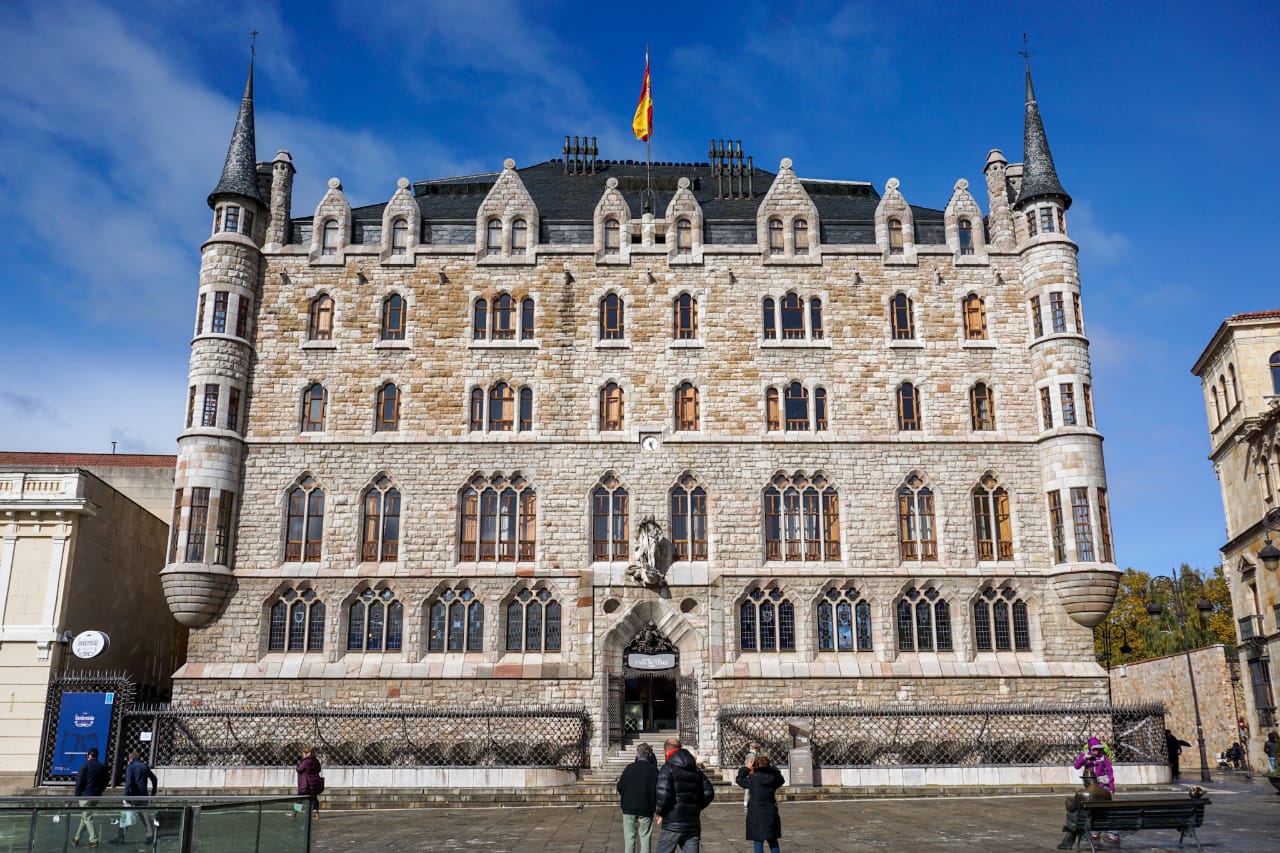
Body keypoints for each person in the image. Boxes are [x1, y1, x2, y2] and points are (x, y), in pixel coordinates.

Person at [654, 737, 715, 853]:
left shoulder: (667, 768)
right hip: (692, 823)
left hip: (672, 822)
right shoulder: (695, 770)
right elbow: (709, 792)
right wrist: (695, 806)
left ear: (666, 751)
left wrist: (660, 812)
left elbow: (663, 794)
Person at [736, 753, 785, 853]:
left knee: (758, 840)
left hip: (756, 812)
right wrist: (771, 768)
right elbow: (781, 779)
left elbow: (739, 779)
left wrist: (746, 768)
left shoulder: (753, 779)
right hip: (770, 811)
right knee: (772, 840)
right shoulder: (773, 778)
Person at [617, 742, 658, 853]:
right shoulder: (653, 770)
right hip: (646, 808)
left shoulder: (629, 768)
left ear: (637, 754)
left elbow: (620, 787)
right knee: (645, 837)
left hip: (629, 807)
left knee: (629, 839)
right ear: (649, 755)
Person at [1056, 776, 1112, 849]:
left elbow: (1071, 808)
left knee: (1073, 816)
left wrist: (1068, 802)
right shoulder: (1107, 793)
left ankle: (1066, 844)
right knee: (1077, 818)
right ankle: (1066, 843)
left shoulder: (1081, 793)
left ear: (1086, 781)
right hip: (1104, 823)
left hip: (1085, 823)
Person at [115, 749, 158, 846]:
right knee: (145, 815)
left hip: (132, 796)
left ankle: (121, 837)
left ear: (131, 758)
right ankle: (150, 835)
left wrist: (125, 797)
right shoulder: (144, 766)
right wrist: (153, 790)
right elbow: (154, 778)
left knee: (125, 816)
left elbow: (128, 783)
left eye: (128, 759)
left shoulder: (131, 767)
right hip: (143, 795)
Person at [70, 746, 109, 848]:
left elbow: (79, 782)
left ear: (89, 756)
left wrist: (76, 795)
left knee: (87, 817)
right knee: (84, 817)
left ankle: (93, 840)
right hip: (96, 796)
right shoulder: (102, 767)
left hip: (85, 795)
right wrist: (100, 791)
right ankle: (76, 838)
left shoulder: (85, 766)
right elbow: (106, 781)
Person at [295, 746, 323, 817]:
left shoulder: (306, 761)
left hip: (306, 782)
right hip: (315, 782)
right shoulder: (316, 761)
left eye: (303, 753)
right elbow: (319, 769)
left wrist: (299, 764)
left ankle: (295, 813)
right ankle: (316, 813)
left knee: (299, 798)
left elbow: (299, 769)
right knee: (314, 797)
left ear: (306, 753)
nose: (302, 755)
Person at [742, 741, 759, 812]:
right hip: (751, 773)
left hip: (751, 773)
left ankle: (748, 802)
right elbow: (749, 765)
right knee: (748, 789)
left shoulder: (753, 755)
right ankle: (746, 802)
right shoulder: (752, 755)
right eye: (756, 747)